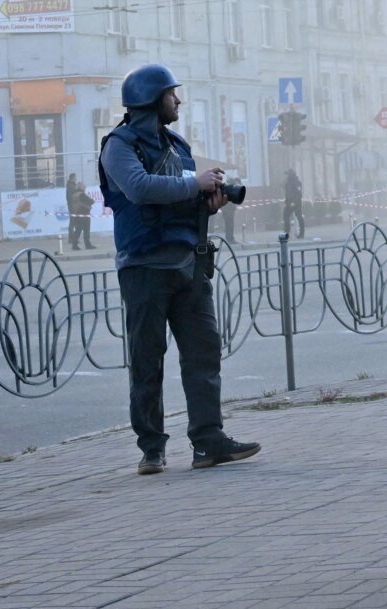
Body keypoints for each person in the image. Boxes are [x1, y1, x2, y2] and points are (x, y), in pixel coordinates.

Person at [100, 62, 261, 474]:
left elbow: (181, 196)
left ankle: (209, 441)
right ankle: (151, 449)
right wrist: (195, 185)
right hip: (144, 267)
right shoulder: (119, 146)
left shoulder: (177, 145)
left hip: (187, 264)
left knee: (203, 353)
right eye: (173, 94)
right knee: (147, 360)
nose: (179, 101)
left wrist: (208, 202)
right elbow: (139, 188)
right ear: (154, 99)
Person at [65, 173, 95, 251]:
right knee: (86, 230)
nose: (85, 188)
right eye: (84, 186)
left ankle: (74, 245)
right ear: (81, 187)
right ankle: (87, 244)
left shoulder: (74, 194)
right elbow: (91, 201)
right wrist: (91, 201)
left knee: (78, 230)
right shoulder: (81, 194)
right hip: (84, 214)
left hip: (77, 214)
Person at [283, 168, 306, 240]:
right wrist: (286, 202)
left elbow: (299, 194)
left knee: (299, 217)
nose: (286, 176)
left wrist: (294, 202)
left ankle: (301, 234)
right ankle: (287, 233)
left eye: (287, 174)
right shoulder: (288, 183)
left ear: (291, 174)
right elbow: (287, 194)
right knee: (285, 215)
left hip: (296, 203)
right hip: (289, 203)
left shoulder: (297, 182)